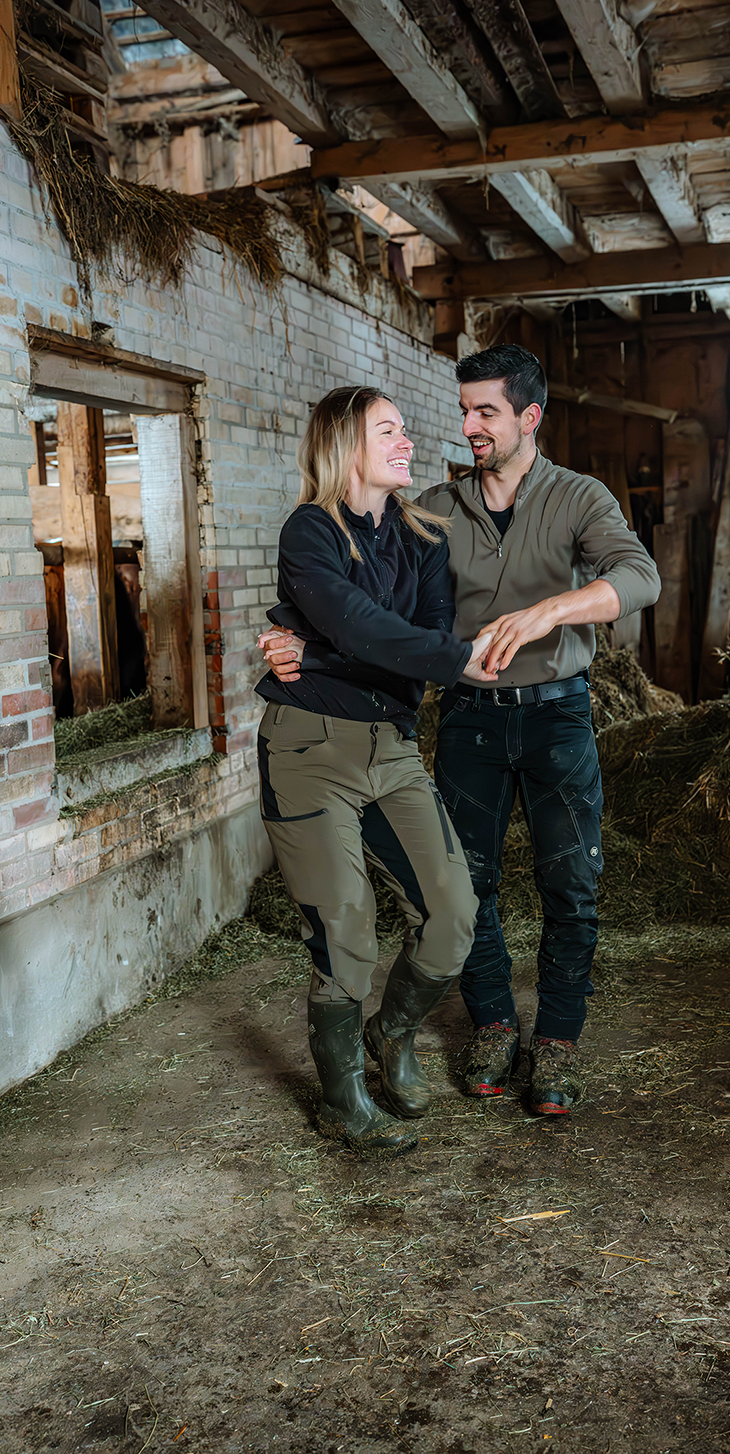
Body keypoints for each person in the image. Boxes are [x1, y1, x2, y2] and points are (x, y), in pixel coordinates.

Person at [416, 345, 660, 1116]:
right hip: (468, 721)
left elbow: (638, 576)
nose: (470, 426)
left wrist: (550, 609)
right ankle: (492, 1024)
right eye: (465, 411)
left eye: (485, 412)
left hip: (557, 715)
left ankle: (556, 1039)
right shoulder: (436, 507)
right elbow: (374, 595)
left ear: (530, 416)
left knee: (571, 885)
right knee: (463, 886)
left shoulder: (579, 498)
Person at [255, 385, 496, 1157]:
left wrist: (314, 652)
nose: (409, 443)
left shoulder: (424, 539)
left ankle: (389, 1033)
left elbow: (410, 651)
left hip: (389, 748)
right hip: (308, 749)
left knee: (455, 913)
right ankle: (343, 1103)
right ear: (345, 445)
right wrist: (458, 660)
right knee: (345, 925)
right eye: (388, 430)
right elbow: (364, 626)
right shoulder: (309, 534)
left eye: (404, 432)